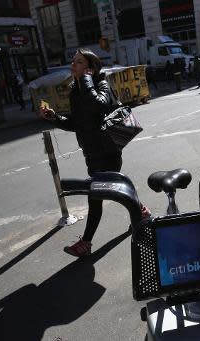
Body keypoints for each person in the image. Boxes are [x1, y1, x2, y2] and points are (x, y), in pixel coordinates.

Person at [39, 48, 151, 257]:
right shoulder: (76, 91)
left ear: (90, 68)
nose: (73, 65)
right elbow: (77, 124)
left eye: (78, 62)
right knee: (115, 189)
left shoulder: (101, 85)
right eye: (73, 61)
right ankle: (141, 212)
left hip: (107, 151)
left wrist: (87, 81)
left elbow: (99, 106)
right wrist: (54, 117)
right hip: (91, 152)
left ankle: (86, 243)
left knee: (96, 196)